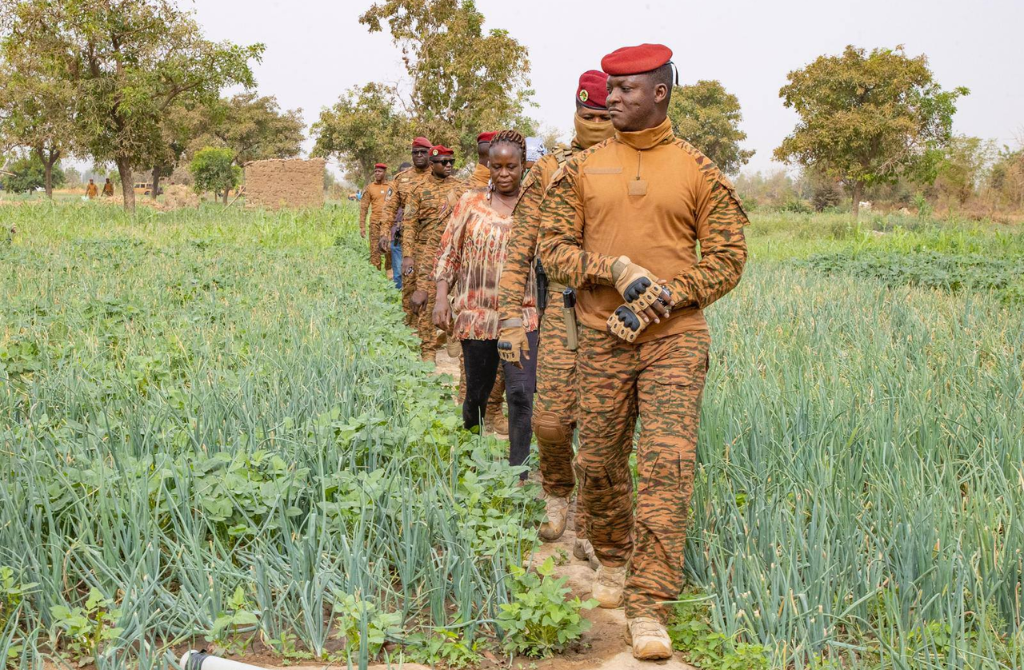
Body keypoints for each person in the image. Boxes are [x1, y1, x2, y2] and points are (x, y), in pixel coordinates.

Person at [538, 44, 749, 660]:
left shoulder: (698, 170)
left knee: (667, 465)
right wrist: (613, 271)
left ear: (660, 91)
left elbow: (729, 258)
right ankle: (610, 555)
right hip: (602, 337)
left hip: (674, 341)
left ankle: (650, 605)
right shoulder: (583, 168)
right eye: (609, 88)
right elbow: (552, 251)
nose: (613, 98)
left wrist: (666, 295)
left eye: (627, 88)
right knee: (599, 463)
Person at [497, 69, 616, 566]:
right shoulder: (549, 171)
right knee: (549, 420)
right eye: (589, 115)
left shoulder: (631, 165)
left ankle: (592, 522)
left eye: (605, 116)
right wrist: (507, 316)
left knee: (602, 428)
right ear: (575, 112)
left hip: (616, 312)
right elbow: (520, 246)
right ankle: (557, 493)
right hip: (563, 310)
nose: (597, 124)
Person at [432, 130, 538, 478]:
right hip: (478, 314)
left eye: (511, 166)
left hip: (522, 317)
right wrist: (441, 298)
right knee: (476, 395)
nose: (504, 174)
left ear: (523, 166)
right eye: (497, 166)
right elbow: (449, 250)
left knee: (521, 396)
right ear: (488, 166)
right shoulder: (471, 203)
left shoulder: (537, 207)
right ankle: (470, 459)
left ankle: (518, 475)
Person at [404, 145, 468, 361]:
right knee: (426, 302)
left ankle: (452, 333)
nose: (449, 165)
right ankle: (428, 353)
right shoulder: (419, 190)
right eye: (444, 162)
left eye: (452, 161)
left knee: (458, 299)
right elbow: (410, 225)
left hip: (457, 253)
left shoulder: (462, 189)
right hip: (427, 253)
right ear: (432, 164)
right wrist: (408, 256)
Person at [385, 137, 433, 325]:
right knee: (408, 283)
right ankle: (409, 328)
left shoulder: (439, 177)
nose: (419, 155)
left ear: (430, 153)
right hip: (408, 243)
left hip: (434, 242)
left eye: (423, 152)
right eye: (415, 152)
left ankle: (432, 327)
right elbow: (389, 209)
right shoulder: (401, 179)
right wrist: (384, 233)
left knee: (433, 284)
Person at [360, 163, 390, 271]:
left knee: (389, 250)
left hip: (389, 224)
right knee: (374, 250)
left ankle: (389, 276)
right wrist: (362, 226)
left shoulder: (391, 186)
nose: (377, 173)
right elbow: (364, 207)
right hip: (375, 223)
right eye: (376, 171)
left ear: (384, 173)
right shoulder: (370, 188)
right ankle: (375, 275)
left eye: (380, 171)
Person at [388, 162, 412, 290]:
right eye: (403, 173)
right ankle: (397, 294)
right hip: (396, 234)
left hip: (413, 237)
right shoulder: (394, 191)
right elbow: (387, 212)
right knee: (397, 267)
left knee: (411, 268)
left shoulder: (417, 190)